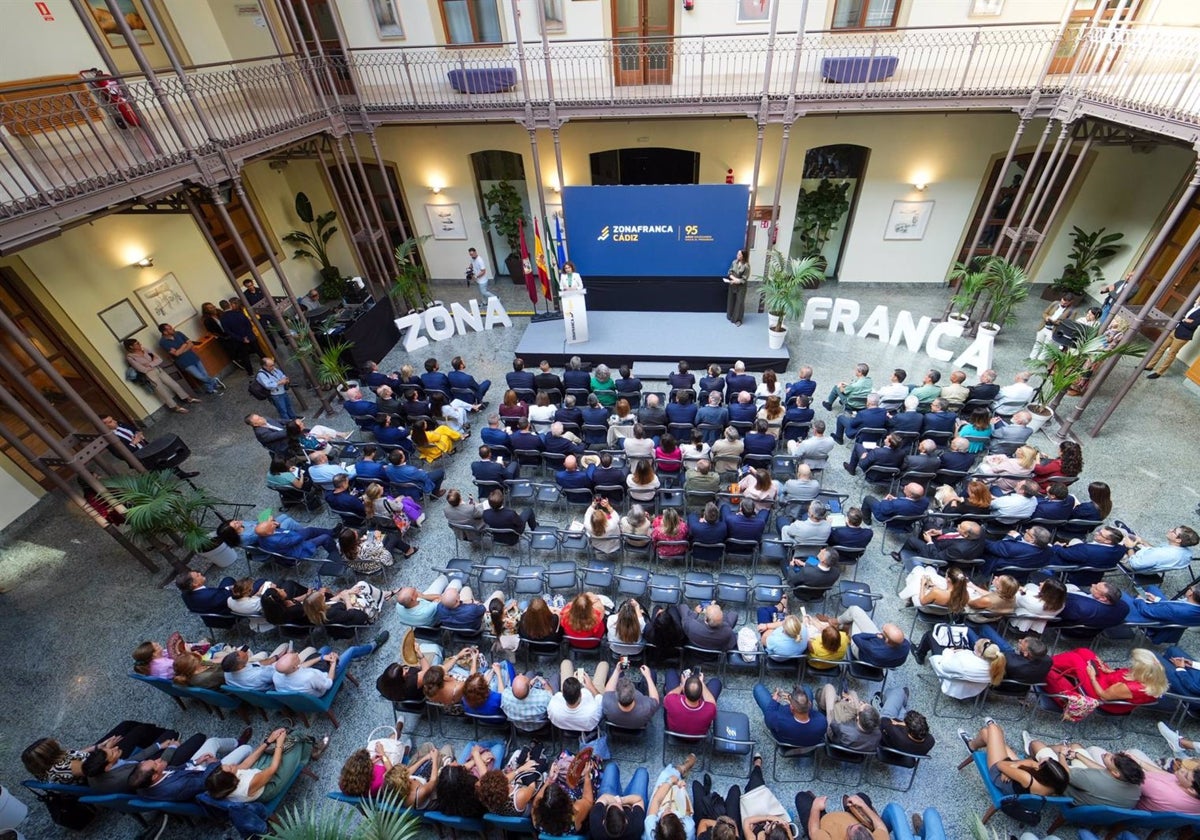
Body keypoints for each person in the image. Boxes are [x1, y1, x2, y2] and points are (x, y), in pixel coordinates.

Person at [957, 721, 1069, 799]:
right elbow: (1031, 763)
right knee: (988, 734)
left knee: (993, 729)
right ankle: (972, 745)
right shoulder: (1056, 783)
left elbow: (1000, 765)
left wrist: (1013, 768)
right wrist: (1017, 767)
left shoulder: (1027, 778)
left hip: (999, 774)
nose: (1038, 762)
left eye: (1040, 763)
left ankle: (972, 745)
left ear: (1042, 773)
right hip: (1015, 776)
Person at [1045, 647, 1168, 713]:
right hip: (1109, 682)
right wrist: (1108, 671)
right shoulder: (1153, 674)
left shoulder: (1131, 688)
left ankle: (1045, 663)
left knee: (1074, 660)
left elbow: (1103, 695)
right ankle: (1058, 666)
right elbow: (1124, 675)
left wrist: (1092, 676)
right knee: (1085, 652)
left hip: (1101, 693)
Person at [123, 338, 199, 414]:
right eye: (137, 344)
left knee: (174, 384)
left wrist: (149, 364)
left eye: (138, 342)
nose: (140, 344)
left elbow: (159, 359)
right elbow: (142, 369)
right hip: (150, 374)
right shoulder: (130, 357)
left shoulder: (145, 350)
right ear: (131, 347)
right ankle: (175, 407)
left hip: (159, 369)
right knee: (162, 391)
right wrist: (152, 362)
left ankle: (188, 398)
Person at [754, 682, 826, 746]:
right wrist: (797, 704)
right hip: (808, 743)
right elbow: (812, 713)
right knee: (806, 688)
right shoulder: (822, 721)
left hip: (784, 740)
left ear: (791, 708)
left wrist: (774, 700)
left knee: (758, 688)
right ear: (810, 704)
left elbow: (768, 720)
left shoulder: (777, 720)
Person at [157, 324, 221, 394]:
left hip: (193, 357)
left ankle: (210, 389)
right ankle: (214, 381)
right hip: (184, 363)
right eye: (170, 328)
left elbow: (191, 344)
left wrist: (181, 350)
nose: (172, 329)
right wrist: (184, 345)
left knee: (204, 374)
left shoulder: (178, 333)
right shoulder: (163, 342)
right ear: (165, 332)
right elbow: (176, 354)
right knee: (199, 376)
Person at [547, 661, 608, 732]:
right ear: (581, 694)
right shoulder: (593, 710)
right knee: (603, 664)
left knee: (566, 663)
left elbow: (556, 696)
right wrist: (591, 686)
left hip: (563, 726)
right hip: (592, 694)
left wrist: (571, 685)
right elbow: (600, 698)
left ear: (563, 694)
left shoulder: (553, 706)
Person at [1146, 303, 1200, 378]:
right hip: (1174, 330)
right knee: (1160, 348)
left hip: (1183, 335)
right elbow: (1176, 313)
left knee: (1171, 353)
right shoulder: (1190, 305)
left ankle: (1159, 372)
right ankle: (1149, 366)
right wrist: (1185, 320)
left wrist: (1182, 319)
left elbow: (1193, 325)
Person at [819, 686, 881, 751]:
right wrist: (853, 705)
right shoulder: (878, 734)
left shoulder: (842, 728)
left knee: (829, 688)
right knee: (853, 693)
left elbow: (833, 723)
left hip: (838, 736)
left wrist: (841, 702)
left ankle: (822, 705)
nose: (861, 703)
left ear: (858, 717)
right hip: (857, 741)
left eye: (862, 704)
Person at [602, 663, 660, 729]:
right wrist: (648, 677)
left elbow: (608, 691)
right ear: (635, 694)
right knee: (652, 673)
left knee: (613, 671)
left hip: (616, 721)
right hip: (638, 724)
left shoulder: (607, 702)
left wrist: (617, 671)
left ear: (616, 695)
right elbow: (656, 700)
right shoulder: (646, 708)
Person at [663, 669, 721, 736]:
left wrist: (683, 685)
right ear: (701, 696)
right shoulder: (710, 709)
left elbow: (668, 696)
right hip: (697, 738)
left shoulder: (671, 701)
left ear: (684, 693)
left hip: (674, 732)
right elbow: (712, 702)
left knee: (671, 673)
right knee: (716, 682)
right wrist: (701, 683)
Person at [1030, 294, 1078, 360]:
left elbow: (1068, 323)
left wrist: (1056, 322)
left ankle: (1040, 360)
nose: (1063, 302)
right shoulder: (1055, 303)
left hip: (1054, 330)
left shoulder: (1072, 311)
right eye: (1063, 300)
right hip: (1044, 326)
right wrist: (1047, 317)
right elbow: (1045, 312)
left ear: (1070, 302)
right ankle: (1032, 357)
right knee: (1038, 342)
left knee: (1047, 346)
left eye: (1066, 302)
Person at [256, 357, 297, 421]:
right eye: (271, 366)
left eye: (273, 365)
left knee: (289, 406)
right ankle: (287, 422)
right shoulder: (261, 375)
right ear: (264, 366)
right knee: (282, 409)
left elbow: (281, 374)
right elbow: (268, 385)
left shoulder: (273, 369)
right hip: (275, 394)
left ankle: (293, 418)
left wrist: (285, 379)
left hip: (282, 391)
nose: (273, 367)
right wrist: (280, 382)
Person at [725, 248, 751, 325]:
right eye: (737, 254)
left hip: (741, 286)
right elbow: (729, 272)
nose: (737, 255)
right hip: (733, 284)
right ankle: (730, 316)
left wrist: (736, 281)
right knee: (731, 300)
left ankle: (738, 320)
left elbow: (744, 279)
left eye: (739, 254)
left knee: (739, 302)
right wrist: (733, 279)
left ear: (743, 256)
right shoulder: (734, 262)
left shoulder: (746, 266)